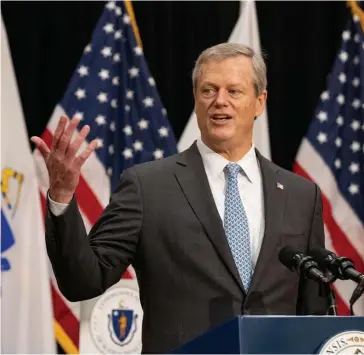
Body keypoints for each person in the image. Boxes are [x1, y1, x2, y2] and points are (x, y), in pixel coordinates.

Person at [31, 43, 327, 353]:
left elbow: (315, 310)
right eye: (208, 90)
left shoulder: (301, 196)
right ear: (196, 100)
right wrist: (62, 195)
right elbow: (84, 280)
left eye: (234, 91)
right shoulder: (147, 186)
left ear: (259, 102)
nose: (219, 102)